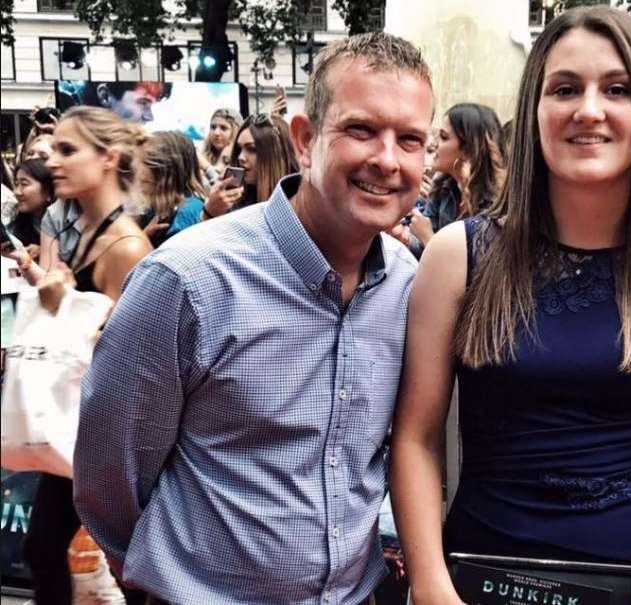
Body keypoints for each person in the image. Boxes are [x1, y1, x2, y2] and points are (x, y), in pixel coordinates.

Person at [390, 7, 631, 605]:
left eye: (616, 89)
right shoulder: (460, 255)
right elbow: (417, 439)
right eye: (564, 89)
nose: (588, 109)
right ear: (534, 112)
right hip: (473, 578)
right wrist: (430, 586)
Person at [73, 32, 433, 603]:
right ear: (306, 138)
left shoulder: (409, 286)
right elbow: (108, 479)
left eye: (409, 139)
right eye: (361, 130)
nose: (387, 160)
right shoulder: (188, 280)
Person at [14, 106, 152, 605]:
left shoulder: (127, 247)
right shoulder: (91, 231)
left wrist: (65, 304)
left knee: (124, 567)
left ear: (109, 158)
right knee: (47, 551)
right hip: (81, 430)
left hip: (106, 439)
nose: (52, 160)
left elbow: (128, 360)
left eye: (68, 150)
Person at [407, 102, 505, 256]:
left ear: (468, 150)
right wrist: (402, 237)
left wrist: (428, 238)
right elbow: (421, 252)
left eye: (444, 137)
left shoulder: (496, 205)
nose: (432, 143)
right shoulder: (442, 187)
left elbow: (474, 271)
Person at [201, 112, 298, 219]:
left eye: (251, 149)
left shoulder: (298, 203)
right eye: (239, 149)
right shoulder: (236, 203)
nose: (240, 157)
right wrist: (210, 212)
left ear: (276, 154)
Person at [137, 131, 207, 247]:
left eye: (147, 163)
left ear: (168, 169)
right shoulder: (159, 205)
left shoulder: (186, 212)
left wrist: (141, 242)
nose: (139, 170)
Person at [8, 158, 55, 259]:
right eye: (16, 184)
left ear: (48, 191)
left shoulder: (64, 224)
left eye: (24, 184)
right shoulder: (15, 226)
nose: (16, 192)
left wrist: (44, 251)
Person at [199, 107, 241, 184]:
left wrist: (222, 161)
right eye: (213, 127)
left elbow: (224, 190)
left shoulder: (240, 161)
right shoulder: (203, 155)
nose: (216, 133)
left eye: (223, 128)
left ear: (236, 131)